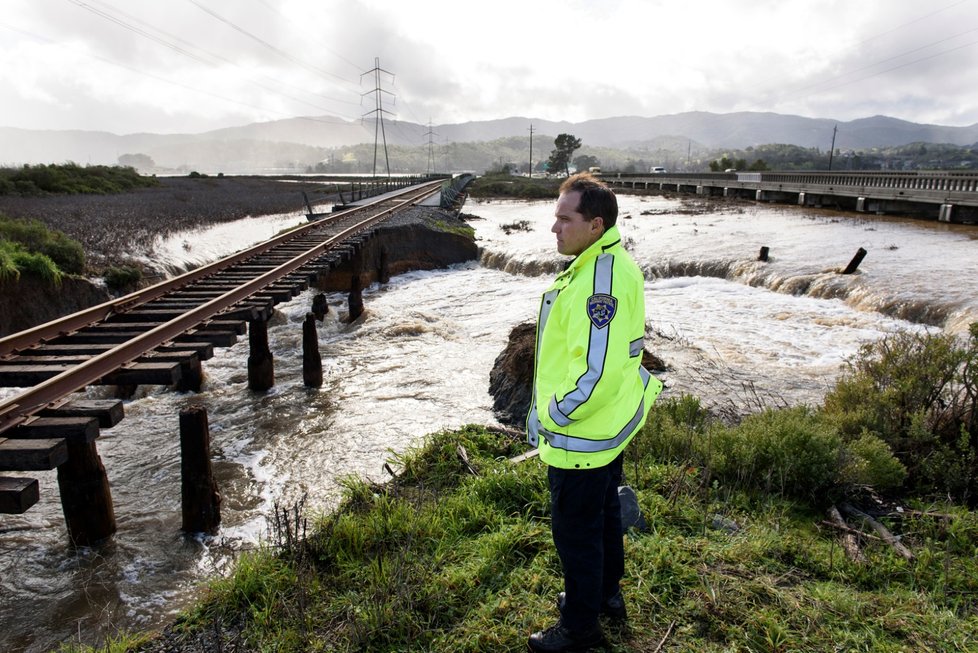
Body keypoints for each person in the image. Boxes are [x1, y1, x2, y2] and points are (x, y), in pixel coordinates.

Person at [526, 172, 663, 652]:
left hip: (580, 437)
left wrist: (553, 415)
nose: (554, 228)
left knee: (576, 534)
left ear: (595, 223)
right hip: (607, 430)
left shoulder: (597, 281)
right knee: (605, 516)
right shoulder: (606, 262)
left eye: (565, 218)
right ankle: (605, 596)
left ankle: (579, 629)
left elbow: (596, 373)